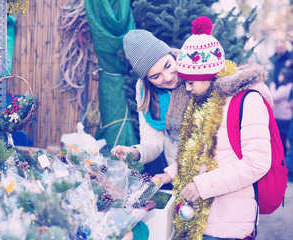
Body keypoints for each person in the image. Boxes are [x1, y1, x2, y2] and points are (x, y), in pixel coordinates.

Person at [154, 16, 272, 240]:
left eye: (191, 82)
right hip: (201, 221)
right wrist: (167, 175)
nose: (187, 89)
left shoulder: (247, 101)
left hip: (229, 226)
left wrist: (202, 186)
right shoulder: (203, 103)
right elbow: (198, 154)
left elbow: (257, 163)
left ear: (208, 76)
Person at [110, 29, 190, 183]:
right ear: (147, 79)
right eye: (155, 76)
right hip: (176, 172)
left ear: (171, 55)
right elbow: (154, 142)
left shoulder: (197, 75)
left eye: (167, 65)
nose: (167, 77)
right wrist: (136, 152)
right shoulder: (145, 91)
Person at [269, 67, 293, 156]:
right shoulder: (289, 87)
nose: (279, 76)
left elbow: (273, 97)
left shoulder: (286, 88)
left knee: (281, 138)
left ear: (285, 76)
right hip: (285, 116)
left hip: (282, 117)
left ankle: (282, 157)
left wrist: (272, 84)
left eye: (281, 75)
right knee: (282, 138)